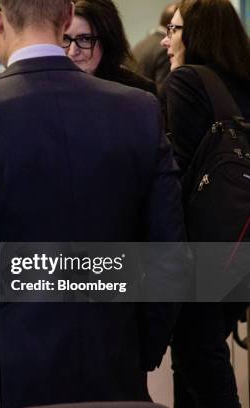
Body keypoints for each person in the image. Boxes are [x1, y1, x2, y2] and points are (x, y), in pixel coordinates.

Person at [0, 0, 186, 406]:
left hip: (7, 366)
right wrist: (144, 346)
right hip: (114, 355)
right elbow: (168, 251)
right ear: (66, 18)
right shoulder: (138, 109)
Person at [160, 1, 250, 407]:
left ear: (197, 35)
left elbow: (178, 170)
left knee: (198, 355)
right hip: (240, 239)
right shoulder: (243, 82)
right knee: (209, 349)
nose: (166, 40)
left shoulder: (187, 81)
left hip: (204, 243)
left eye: (175, 30)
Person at [64, 0, 157, 95]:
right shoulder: (51, 87)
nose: (72, 52)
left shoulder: (140, 92)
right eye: (65, 38)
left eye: (85, 39)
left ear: (108, 41)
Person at [132, 3, 177, 87]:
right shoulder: (165, 49)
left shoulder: (141, 43)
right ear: (173, 21)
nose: (164, 42)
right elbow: (162, 90)